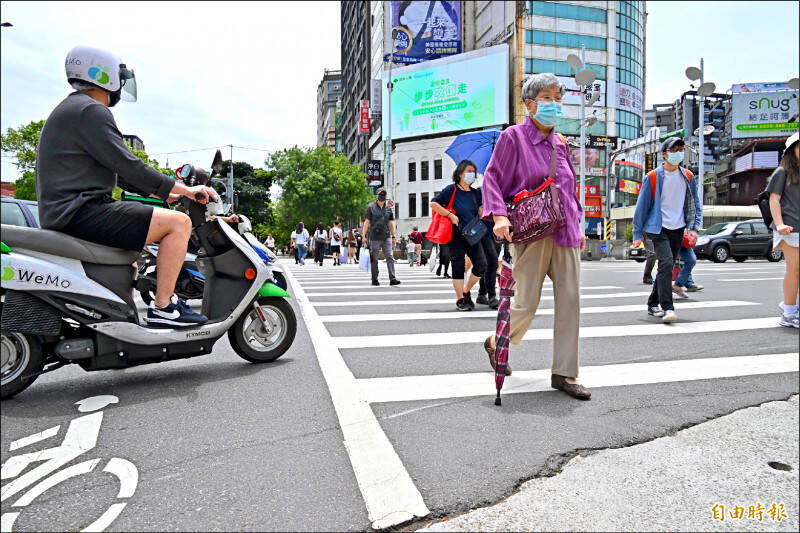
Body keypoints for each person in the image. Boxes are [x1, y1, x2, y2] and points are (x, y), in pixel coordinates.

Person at [35, 45, 218, 328]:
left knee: (131, 259)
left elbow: (118, 172)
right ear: (103, 75)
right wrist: (185, 190)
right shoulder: (91, 111)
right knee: (179, 224)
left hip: (69, 211)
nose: (121, 85)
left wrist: (165, 192)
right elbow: (128, 164)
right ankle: (165, 307)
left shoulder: (74, 109)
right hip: (82, 212)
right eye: (119, 77)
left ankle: (119, 320)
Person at [481, 73, 589, 399]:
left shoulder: (561, 143)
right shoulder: (513, 138)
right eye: (547, 98)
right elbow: (493, 179)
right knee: (526, 304)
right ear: (529, 104)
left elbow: (570, 190)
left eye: (559, 98)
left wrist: (579, 225)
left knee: (570, 302)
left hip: (566, 232)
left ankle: (565, 374)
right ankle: (496, 340)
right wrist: (499, 216)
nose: (554, 104)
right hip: (532, 231)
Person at [632, 137, 702, 323]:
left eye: (681, 149)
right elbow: (641, 207)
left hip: (678, 228)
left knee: (667, 266)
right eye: (674, 150)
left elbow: (694, 203)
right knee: (666, 262)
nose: (678, 152)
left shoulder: (687, 176)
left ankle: (652, 303)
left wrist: (694, 227)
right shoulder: (653, 177)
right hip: (658, 228)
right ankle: (667, 307)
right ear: (664, 154)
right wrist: (637, 234)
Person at [431, 160, 488, 311]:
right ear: (460, 173)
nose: (472, 174)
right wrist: (450, 215)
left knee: (481, 264)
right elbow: (434, 204)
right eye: (469, 171)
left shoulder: (476, 193)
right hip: (455, 233)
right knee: (457, 265)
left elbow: (481, 213)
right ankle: (460, 300)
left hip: (472, 233)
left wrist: (483, 209)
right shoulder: (451, 190)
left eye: (473, 172)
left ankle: (466, 290)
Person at [767, 132, 799, 328]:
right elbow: (773, 199)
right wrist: (779, 225)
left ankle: (792, 306)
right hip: (789, 228)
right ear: (791, 150)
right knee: (794, 270)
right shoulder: (782, 172)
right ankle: (788, 313)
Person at [362, 188, 401, 286]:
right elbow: (366, 222)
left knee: (390, 257)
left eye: (384, 194)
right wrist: (363, 236)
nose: (382, 196)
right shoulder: (371, 207)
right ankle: (374, 279)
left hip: (386, 236)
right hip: (374, 237)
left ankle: (392, 278)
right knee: (374, 259)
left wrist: (393, 237)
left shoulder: (388, 209)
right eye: (380, 194)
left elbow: (391, 224)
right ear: (376, 196)